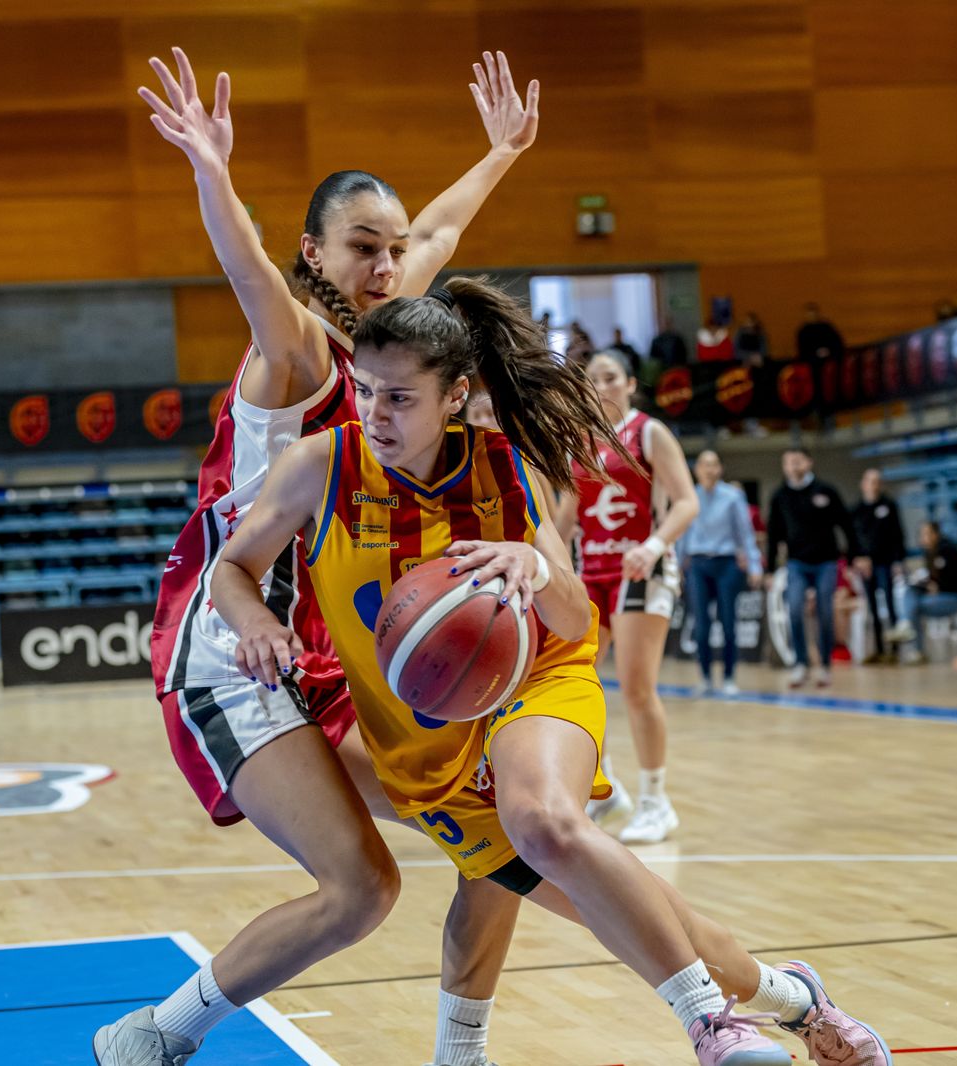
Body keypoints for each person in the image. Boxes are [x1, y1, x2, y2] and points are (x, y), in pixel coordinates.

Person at [214, 277, 891, 1066]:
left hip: (537, 678)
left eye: (399, 397)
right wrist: (258, 621)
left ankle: (710, 1024)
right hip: (427, 744)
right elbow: (232, 569)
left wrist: (533, 561)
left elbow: (576, 620)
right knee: (634, 908)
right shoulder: (318, 465)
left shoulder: (508, 468)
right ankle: (793, 999)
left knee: (543, 820)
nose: (374, 413)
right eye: (365, 391)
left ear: (455, 394)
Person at [96, 48, 542, 1066]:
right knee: (361, 888)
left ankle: (459, 1050)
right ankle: (155, 1038)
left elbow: (438, 231)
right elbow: (244, 266)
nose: (387, 267)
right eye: (361, 249)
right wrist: (212, 171)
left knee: (499, 831)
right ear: (314, 251)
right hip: (225, 637)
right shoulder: (294, 344)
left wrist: (501, 151)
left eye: (391, 252)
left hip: (316, 654)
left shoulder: (384, 346)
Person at [560, 349, 699, 845]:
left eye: (610, 378)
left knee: (637, 688)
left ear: (631, 384)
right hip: (591, 572)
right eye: (592, 379)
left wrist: (655, 544)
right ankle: (608, 787)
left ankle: (656, 801)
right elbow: (565, 519)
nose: (600, 386)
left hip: (642, 567)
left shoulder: (649, 432)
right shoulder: (578, 442)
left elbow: (686, 501)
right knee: (575, 683)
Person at [766, 448, 863, 688]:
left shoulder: (826, 491)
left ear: (809, 462)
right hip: (796, 563)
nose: (794, 465)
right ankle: (800, 663)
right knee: (795, 610)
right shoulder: (780, 496)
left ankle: (825, 666)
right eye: (788, 461)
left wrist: (853, 558)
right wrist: (769, 569)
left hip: (826, 562)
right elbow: (773, 535)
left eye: (798, 460)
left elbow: (846, 525)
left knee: (825, 612)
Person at [679, 450, 761, 695]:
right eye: (705, 465)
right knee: (701, 625)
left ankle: (728, 678)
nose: (709, 470)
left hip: (727, 565)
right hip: (698, 565)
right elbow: (682, 534)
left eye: (714, 465)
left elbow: (745, 534)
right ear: (697, 470)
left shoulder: (733, 496)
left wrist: (755, 566)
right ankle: (704, 678)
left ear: (720, 469)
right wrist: (676, 566)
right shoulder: (689, 496)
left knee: (728, 624)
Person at [888, 522, 957, 666]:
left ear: (936, 534)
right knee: (910, 591)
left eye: (927, 534)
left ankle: (913, 642)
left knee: (914, 607)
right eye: (921, 534)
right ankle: (906, 626)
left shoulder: (948, 551)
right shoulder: (929, 554)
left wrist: (938, 587)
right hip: (938, 597)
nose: (923, 538)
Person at [850, 469, 905, 664]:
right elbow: (852, 540)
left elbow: (898, 535)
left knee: (890, 605)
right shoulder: (856, 510)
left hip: (885, 562)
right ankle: (879, 649)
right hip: (865, 566)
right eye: (869, 481)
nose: (873, 485)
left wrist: (898, 561)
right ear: (863, 484)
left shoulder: (889, 506)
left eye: (877, 481)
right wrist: (855, 560)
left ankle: (895, 649)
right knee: (872, 608)